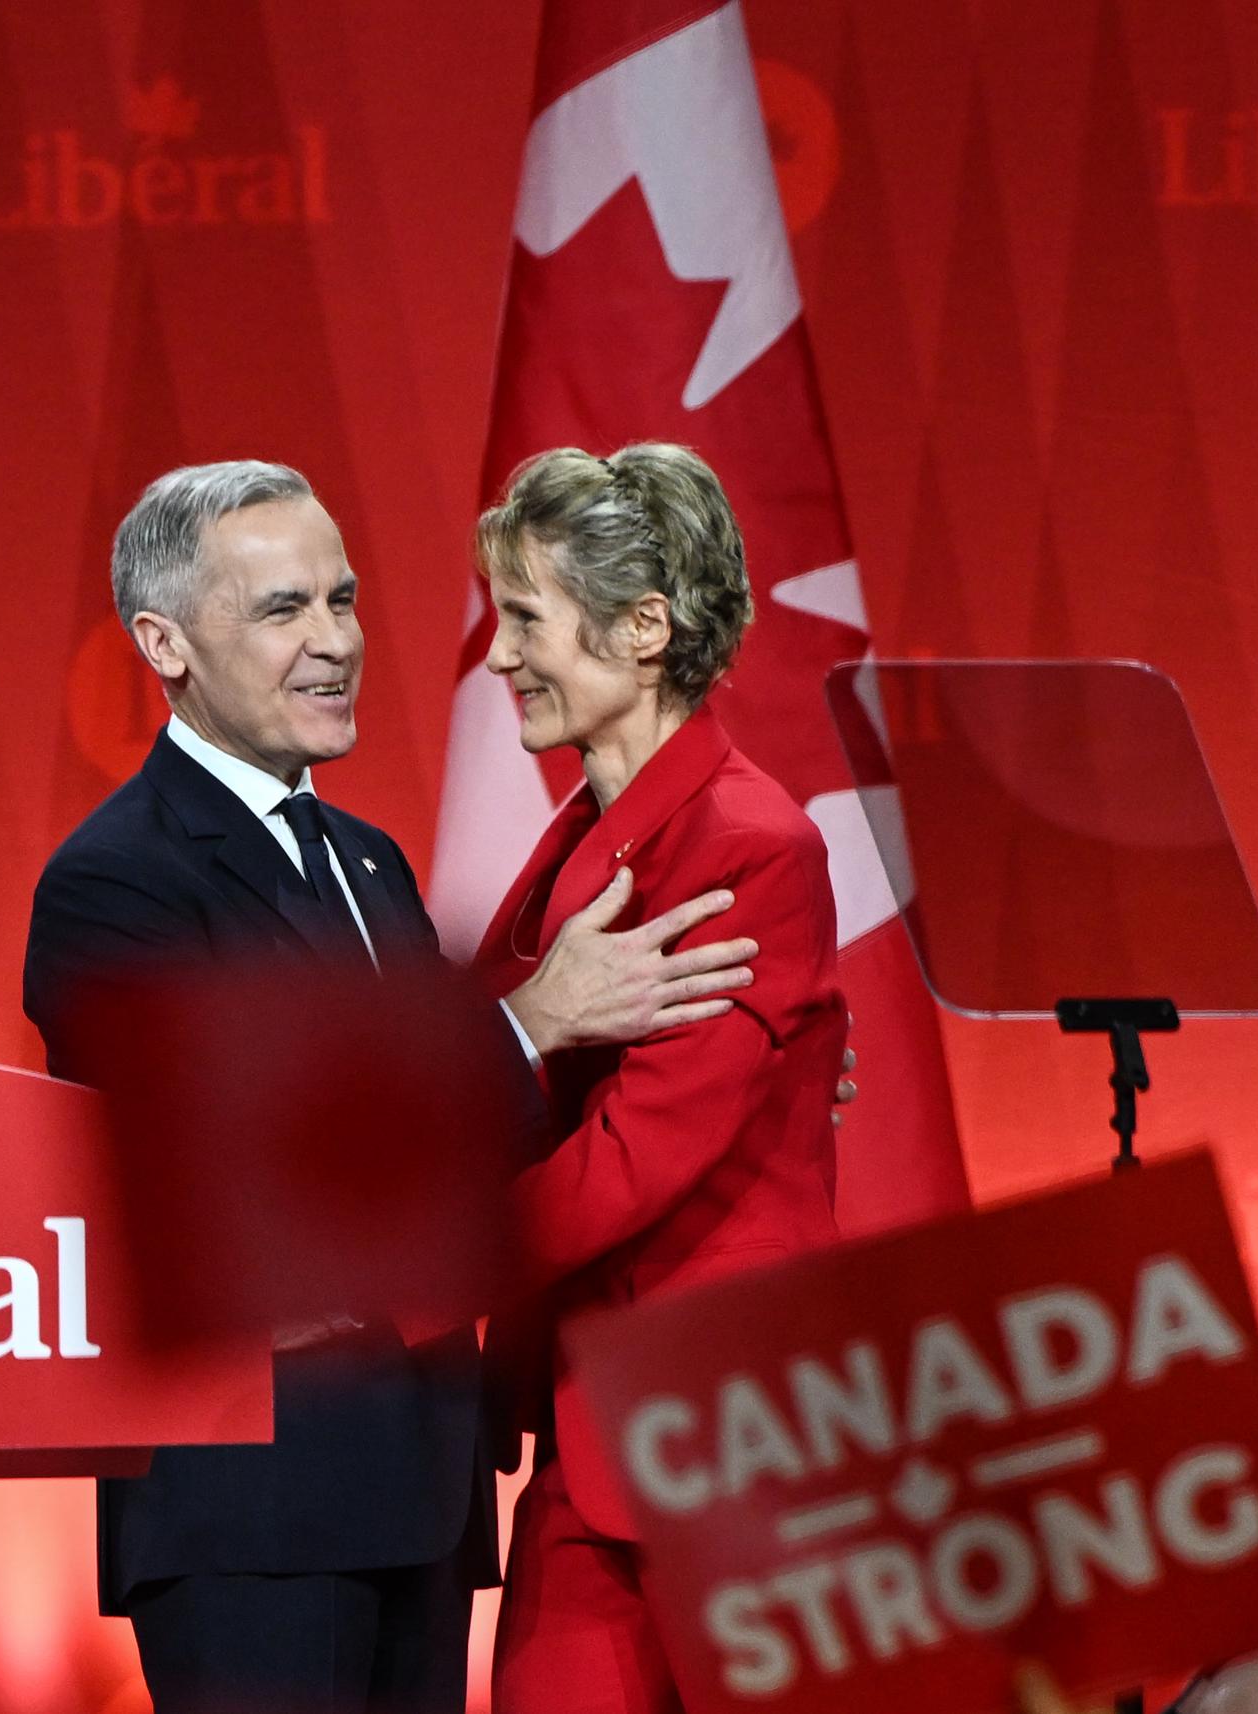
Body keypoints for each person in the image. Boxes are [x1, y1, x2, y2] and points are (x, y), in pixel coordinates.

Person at [21, 459, 763, 1714]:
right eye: (283, 610)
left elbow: (457, 1159)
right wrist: (528, 1025)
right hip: (254, 1510)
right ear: (165, 643)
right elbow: (236, 1181)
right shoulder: (116, 882)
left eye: (344, 599)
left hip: (416, 1493)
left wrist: (755, 1058)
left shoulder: (364, 863)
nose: (335, 643)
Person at [469, 444, 851, 1714]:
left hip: (727, 1438)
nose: (500, 655)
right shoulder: (583, 836)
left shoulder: (752, 845)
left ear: (643, 627)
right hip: (598, 1418)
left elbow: (641, 1151)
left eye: (525, 617)